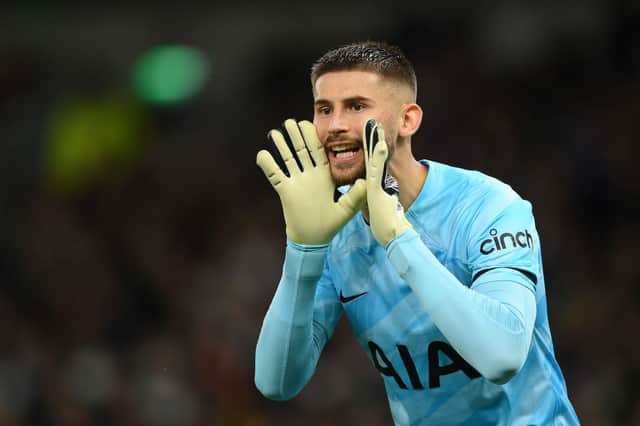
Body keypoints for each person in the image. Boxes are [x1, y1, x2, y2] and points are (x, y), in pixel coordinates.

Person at [254, 41, 580, 425]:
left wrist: (399, 239)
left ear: (408, 120)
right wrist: (303, 250)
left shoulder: (488, 207)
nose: (336, 124)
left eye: (356, 106)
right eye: (325, 109)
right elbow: (276, 382)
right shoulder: (335, 227)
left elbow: (502, 357)